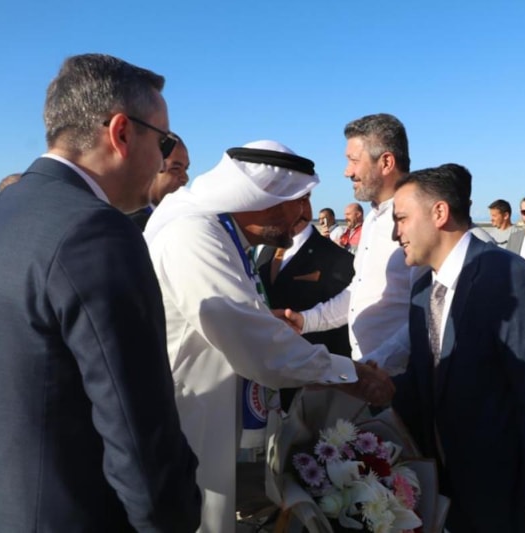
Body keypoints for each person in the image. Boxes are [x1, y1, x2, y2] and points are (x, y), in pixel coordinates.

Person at [0, 53, 201, 531]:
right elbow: (135, 427)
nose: (163, 160)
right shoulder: (97, 233)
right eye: (164, 142)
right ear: (121, 133)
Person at [144, 140, 394, 533]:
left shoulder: (219, 233)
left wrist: (264, 321)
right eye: (299, 200)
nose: (305, 214)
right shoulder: (193, 234)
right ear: (266, 198)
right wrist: (351, 375)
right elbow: (251, 341)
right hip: (190, 419)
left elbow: (242, 320)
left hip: (210, 418)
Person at [391, 165, 525, 532]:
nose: (396, 233)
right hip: (454, 489)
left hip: (509, 496)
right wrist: (374, 388)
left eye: (402, 219)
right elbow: (430, 382)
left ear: (439, 213)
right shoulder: (423, 290)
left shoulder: (510, 280)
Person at [279, 113, 413, 375]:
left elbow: (430, 313)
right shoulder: (373, 219)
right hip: (369, 375)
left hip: (397, 379)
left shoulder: (418, 220)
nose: (347, 171)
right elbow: (359, 292)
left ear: (386, 162)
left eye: (354, 160)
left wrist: (376, 364)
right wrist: (304, 320)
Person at [258, 194, 355, 409]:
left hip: (313, 384)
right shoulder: (266, 251)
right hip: (268, 379)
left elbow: (342, 325)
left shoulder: (338, 259)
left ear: (304, 206)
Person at [129, 136, 190, 229]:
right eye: (175, 169)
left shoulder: (183, 219)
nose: (185, 178)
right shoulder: (130, 224)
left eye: (186, 169)